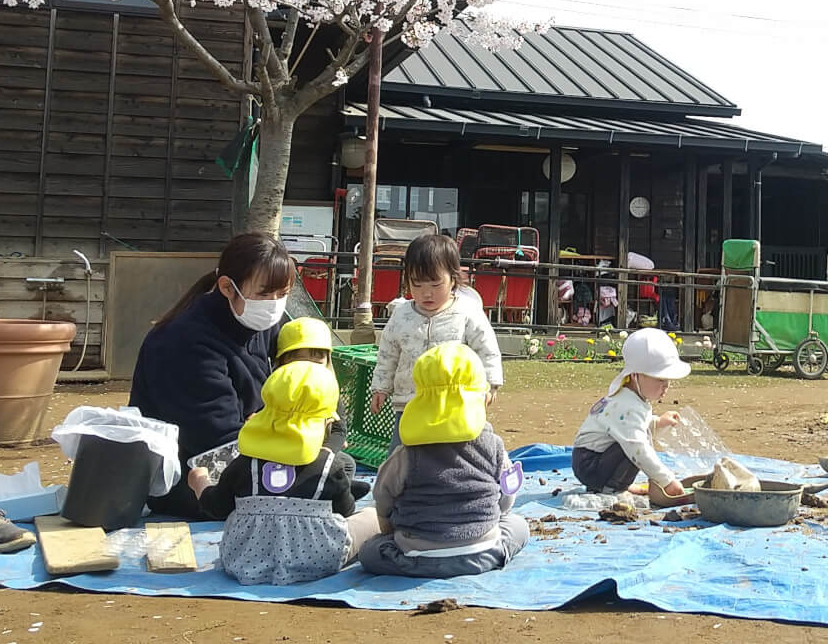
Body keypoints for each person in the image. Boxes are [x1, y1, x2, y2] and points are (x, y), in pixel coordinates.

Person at [130, 233, 296, 519]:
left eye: (283, 294)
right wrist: (280, 423)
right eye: (264, 294)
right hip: (194, 481)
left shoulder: (262, 319)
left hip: (255, 450)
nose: (274, 304)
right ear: (227, 287)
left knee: (335, 469)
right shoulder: (183, 343)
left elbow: (309, 373)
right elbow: (219, 441)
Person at [185, 361, 381, 584]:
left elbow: (216, 506)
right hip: (319, 560)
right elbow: (345, 510)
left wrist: (199, 481)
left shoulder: (245, 463)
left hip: (244, 559)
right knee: (373, 516)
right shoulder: (330, 465)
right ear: (325, 421)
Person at [358, 343, 529, 578]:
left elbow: (383, 497)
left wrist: (389, 528)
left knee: (369, 552)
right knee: (520, 526)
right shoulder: (493, 445)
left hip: (415, 555)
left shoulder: (406, 453)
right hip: (482, 553)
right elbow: (507, 499)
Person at [370, 235, 504, 415]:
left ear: (453, 279)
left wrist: (490, 384)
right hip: (409, 404)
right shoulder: (401, 314)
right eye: (417, 284)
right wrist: (380, 388)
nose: (426, 293)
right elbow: (388, 354)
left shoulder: (467, 312)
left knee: (454, 444)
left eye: (435, 285)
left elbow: (487, 350)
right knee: (402, 444)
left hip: (454, 404)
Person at [571, 328, 691, 499]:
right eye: (660, 379)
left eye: (668, 380)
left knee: (634, 441)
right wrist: (667, 481)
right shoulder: (626, 405)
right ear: (635, 376)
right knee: (635, 447)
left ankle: (617, 483)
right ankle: (611, 488)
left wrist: (657, 423)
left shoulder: (632, 397)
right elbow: (637, 446)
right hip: (591, 465)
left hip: (595, 459)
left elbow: (636, 425)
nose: (666, 386)